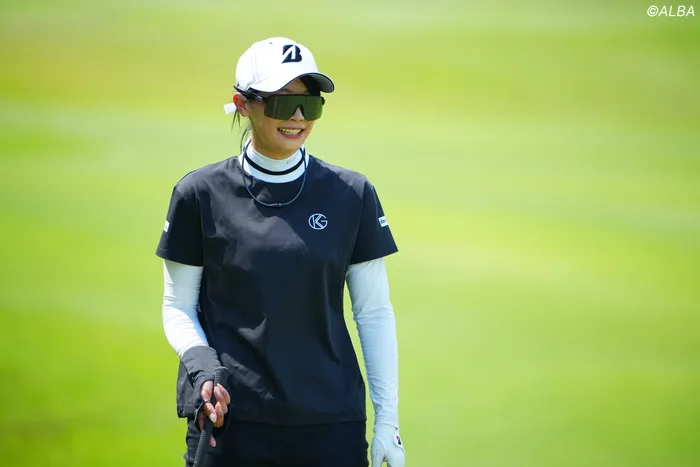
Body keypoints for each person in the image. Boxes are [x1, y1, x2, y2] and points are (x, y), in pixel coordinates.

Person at [156, 37, 405, 467]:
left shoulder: (352, 194)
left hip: (331, 426)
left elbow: (374, 313)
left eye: (309, 104)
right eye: (282, 103)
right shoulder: (199, 194)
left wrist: (388, 419)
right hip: (231, 424)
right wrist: (200, 364)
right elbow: (177, 305)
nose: (297, 117)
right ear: (242, 104)